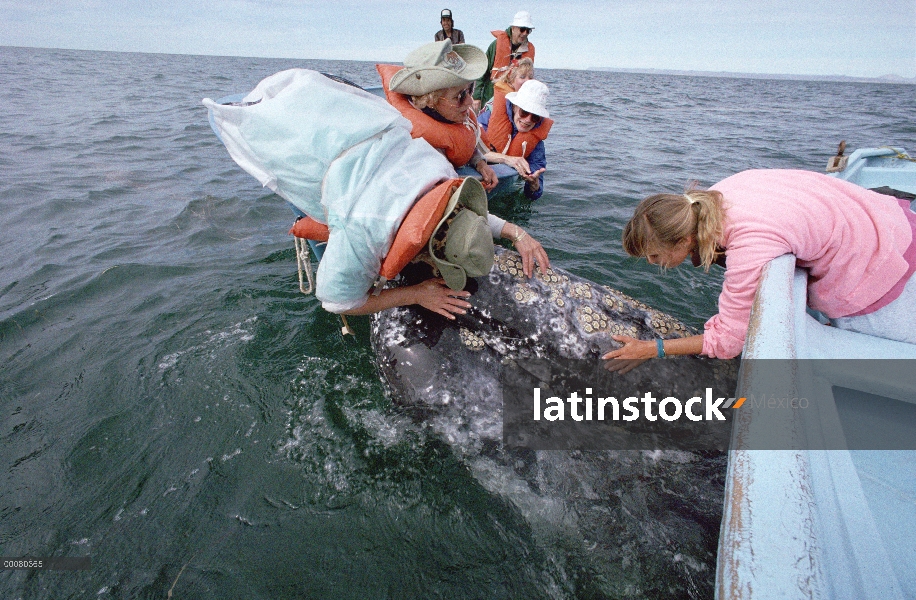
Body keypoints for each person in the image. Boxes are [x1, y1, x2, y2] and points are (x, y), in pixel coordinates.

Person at [205, 69, 549, 317]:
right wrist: (415, 293)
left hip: (348, 119)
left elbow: (449, 213)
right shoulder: (365, 233)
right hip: (306, 149)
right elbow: (337, 302)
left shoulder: (435, 166)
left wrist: (516, 233)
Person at [604, 170, 916, 367]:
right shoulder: (721, 193)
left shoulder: (749, 241)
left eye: (656, 257)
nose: (652, 264)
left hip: (881, 270)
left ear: (684, 240)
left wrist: (652, 349)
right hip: (891, 224)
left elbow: (728, 341)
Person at [377, 40, 498, 191]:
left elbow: (462, 142)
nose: (469, 101)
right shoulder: (414, 141)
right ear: (430, 100)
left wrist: (480, 163)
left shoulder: (450, 116)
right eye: (460, 95)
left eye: (470, 90)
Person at [478, 79, 551, 200]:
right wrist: (506, 159)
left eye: (535, 117)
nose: (528, 120)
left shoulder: (536, 144)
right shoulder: (487, 119)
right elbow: (470, 150)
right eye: (524, 112)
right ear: (515, 107)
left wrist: (534, 185)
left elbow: (534, 194)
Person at [473, 10, 536, 112]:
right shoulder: (496, 44)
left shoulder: (529, 50)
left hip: (514, 97)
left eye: (528, 30)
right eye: (522, 29)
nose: (525, 33)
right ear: (513, 28)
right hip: (491, 92)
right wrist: (476, 97)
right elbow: (482, 70)